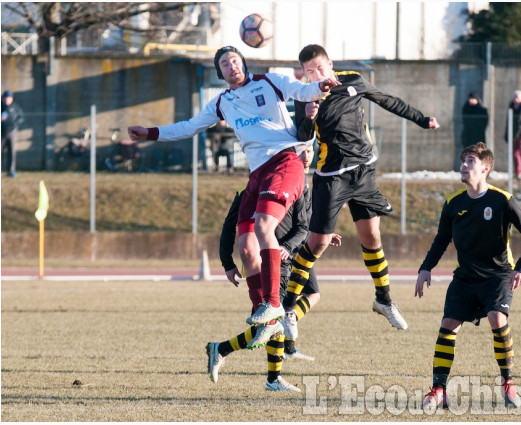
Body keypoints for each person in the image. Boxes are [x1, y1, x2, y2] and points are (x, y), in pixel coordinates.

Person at [128, 46, 340, 391]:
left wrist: (321, 86)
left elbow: (303, 91)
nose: (232, 65)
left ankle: (272, 306)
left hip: (285, 160)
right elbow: (188, 127)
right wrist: (150, 133)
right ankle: (263, 313)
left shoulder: (269, 81)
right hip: (256, 172)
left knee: (263, 228)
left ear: (245, 63)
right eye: (225, 63)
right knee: (245, 248)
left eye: (236, 60)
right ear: (220, 72)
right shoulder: (221, 103)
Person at [280, 44, 440, 337]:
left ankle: (384, 300)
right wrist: (310, 116)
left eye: (320, 68)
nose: (316, 74)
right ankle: (288, 308)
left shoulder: (353, 80)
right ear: (304, 74)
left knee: (372, 237)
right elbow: (301, 136)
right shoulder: (304, 97)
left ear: (330, 64)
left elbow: (387, 100)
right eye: (309, 71)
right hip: (331, 176)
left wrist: (421, 118)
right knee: (317, 244)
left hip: (364, 171)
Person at [414, 142, 521, 410]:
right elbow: (441, 240)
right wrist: (426, 267)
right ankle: (438, 391)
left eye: (470, 161)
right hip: (465, 278)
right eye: (462, 160)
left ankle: (508, 384)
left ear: (485, 168)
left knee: (497, 318)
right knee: (448, 325)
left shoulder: (501, 200)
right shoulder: (453, 203)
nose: (463, 165)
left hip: (497, 276)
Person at [207, 147, 332, 392]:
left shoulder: (298, 188)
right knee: (271, 322)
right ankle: (267, 375)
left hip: (288, 258)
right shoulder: (248, 192)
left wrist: (291, 244)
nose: (306, 155)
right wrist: (228, 263)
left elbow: (304, 225)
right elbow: (229, 227)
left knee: (275, 320)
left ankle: (226, 352)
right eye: (301, 150)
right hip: (262, 266)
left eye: (309, 150)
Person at [1, 90, 24, 178]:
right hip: (1, 132)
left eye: (9, 98)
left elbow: (21, 117)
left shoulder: (16, 107)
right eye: (5, 98)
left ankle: (11, 171)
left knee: (12, 152)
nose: (7, 100)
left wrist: (15, 124)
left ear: (12, 99)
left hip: (12, 132)